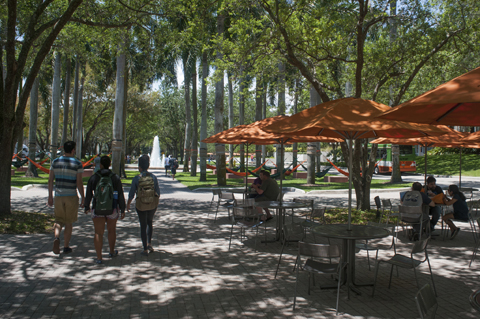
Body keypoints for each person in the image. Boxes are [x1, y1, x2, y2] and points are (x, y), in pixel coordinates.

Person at [84, 156, 126, 264]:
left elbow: (88, 193)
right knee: (111, 231)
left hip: (97, 209)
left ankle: (99, 257)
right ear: (110, 164)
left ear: (100, 165)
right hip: (112, 209)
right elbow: (120, 194)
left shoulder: (94, 177)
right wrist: (122, 209)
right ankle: (111, 251)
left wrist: (86, 206)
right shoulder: (115, 177)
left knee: (98, 233)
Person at [47, 141, 85, 255]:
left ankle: (57, 237)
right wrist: (83, 197)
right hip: (71, 196)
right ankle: (66, 246)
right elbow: (79, 183)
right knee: (69, 222)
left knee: (58, 220)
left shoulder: (55, 162)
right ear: (73, 150)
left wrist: (50, 196)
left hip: (58, 195)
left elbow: (50, 180)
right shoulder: (77, 163)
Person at [127, 155, 160, 256]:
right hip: (152, 205)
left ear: (139, 167)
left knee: (143, 225)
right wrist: (155, 204)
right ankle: (149, 243)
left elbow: (131, 193)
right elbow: (158, 192)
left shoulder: (137, 178)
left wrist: (127, 204)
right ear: (149, 165)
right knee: (150, 222)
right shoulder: (153, 177)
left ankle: (144, 248)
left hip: (141, 205)